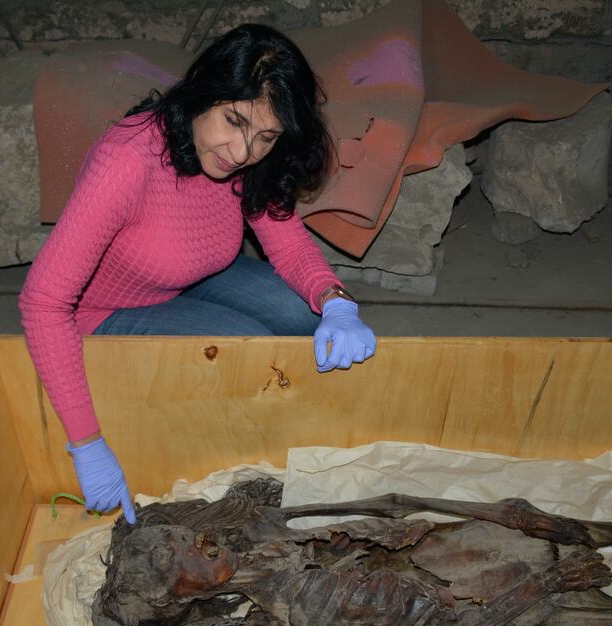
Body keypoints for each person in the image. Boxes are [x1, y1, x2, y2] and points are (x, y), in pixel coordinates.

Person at [19, 24, 376, 525]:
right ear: (203, 94)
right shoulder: (127, 160)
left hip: (185, 274)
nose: (242, 152)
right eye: (234, 120)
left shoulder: (250, 158)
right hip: (105, 307)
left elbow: (289, 242)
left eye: (266, 136)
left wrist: (336, 299)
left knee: (308, 315)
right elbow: (42, 302)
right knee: (251, 352)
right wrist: (86, 442)